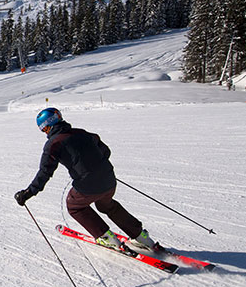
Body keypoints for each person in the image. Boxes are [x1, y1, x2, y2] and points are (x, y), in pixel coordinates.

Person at [14, 108, 158, 252]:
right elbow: (105, 151)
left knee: (74, 205)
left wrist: (28, 193)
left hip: (88, 186)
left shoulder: (53, 144)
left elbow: (45, 172)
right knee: (107, 205)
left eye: (44, 129)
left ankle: (106, 237)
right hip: (109, 180)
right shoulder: (82, 133)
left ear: (48, 126)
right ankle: (140, 236)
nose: (45, 132)